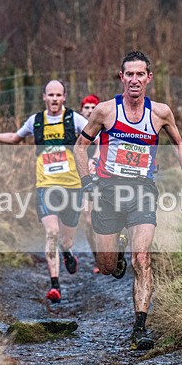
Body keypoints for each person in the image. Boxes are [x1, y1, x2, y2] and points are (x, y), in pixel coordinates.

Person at [73, 50, 182, 350]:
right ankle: (115, 250)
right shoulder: (105, 111)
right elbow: (80, 147)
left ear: (148, 77)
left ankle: (139, 328)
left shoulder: (160, 113)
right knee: (106, 267)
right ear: (121, 77)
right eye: (128, 74)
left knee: (142, 259)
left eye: (139, 74)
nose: (134, 79)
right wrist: (87, 182)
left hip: (142, 191)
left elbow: (179, 142)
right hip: (107, 191)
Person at [0, 80, 88, 303]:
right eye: (50, 95)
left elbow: (95, 136)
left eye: (58, 95)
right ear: (44, 97)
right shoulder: (35, 121)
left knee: (65, 239)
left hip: (72, 187)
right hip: (46, 186)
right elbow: (16, 138)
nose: (54, 99)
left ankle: (67, 252)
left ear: (64, 97)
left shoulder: (76, 119)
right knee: (51, 233)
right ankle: (55, 285)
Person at [79, 94, 101, 271]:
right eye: (87, 107)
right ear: (81, 110)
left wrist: (94, 159)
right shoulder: (76, 128)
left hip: (103, 176)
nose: (90, 110)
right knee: (88, 220)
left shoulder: (104, 127)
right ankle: (97, 257)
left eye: (94, 107)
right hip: (82, 179)